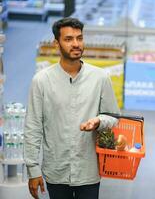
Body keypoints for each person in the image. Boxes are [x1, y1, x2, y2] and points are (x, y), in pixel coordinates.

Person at [24, 17, 120, 199]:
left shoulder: (100, 78)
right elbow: (33, 126)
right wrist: (33, 169)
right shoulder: (41, 81)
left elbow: (113, 117)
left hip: (89, 170)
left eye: (79, 38)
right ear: (56, 43)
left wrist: (99, 121)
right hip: (56, 170)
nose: (76, 44)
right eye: (68, 39)